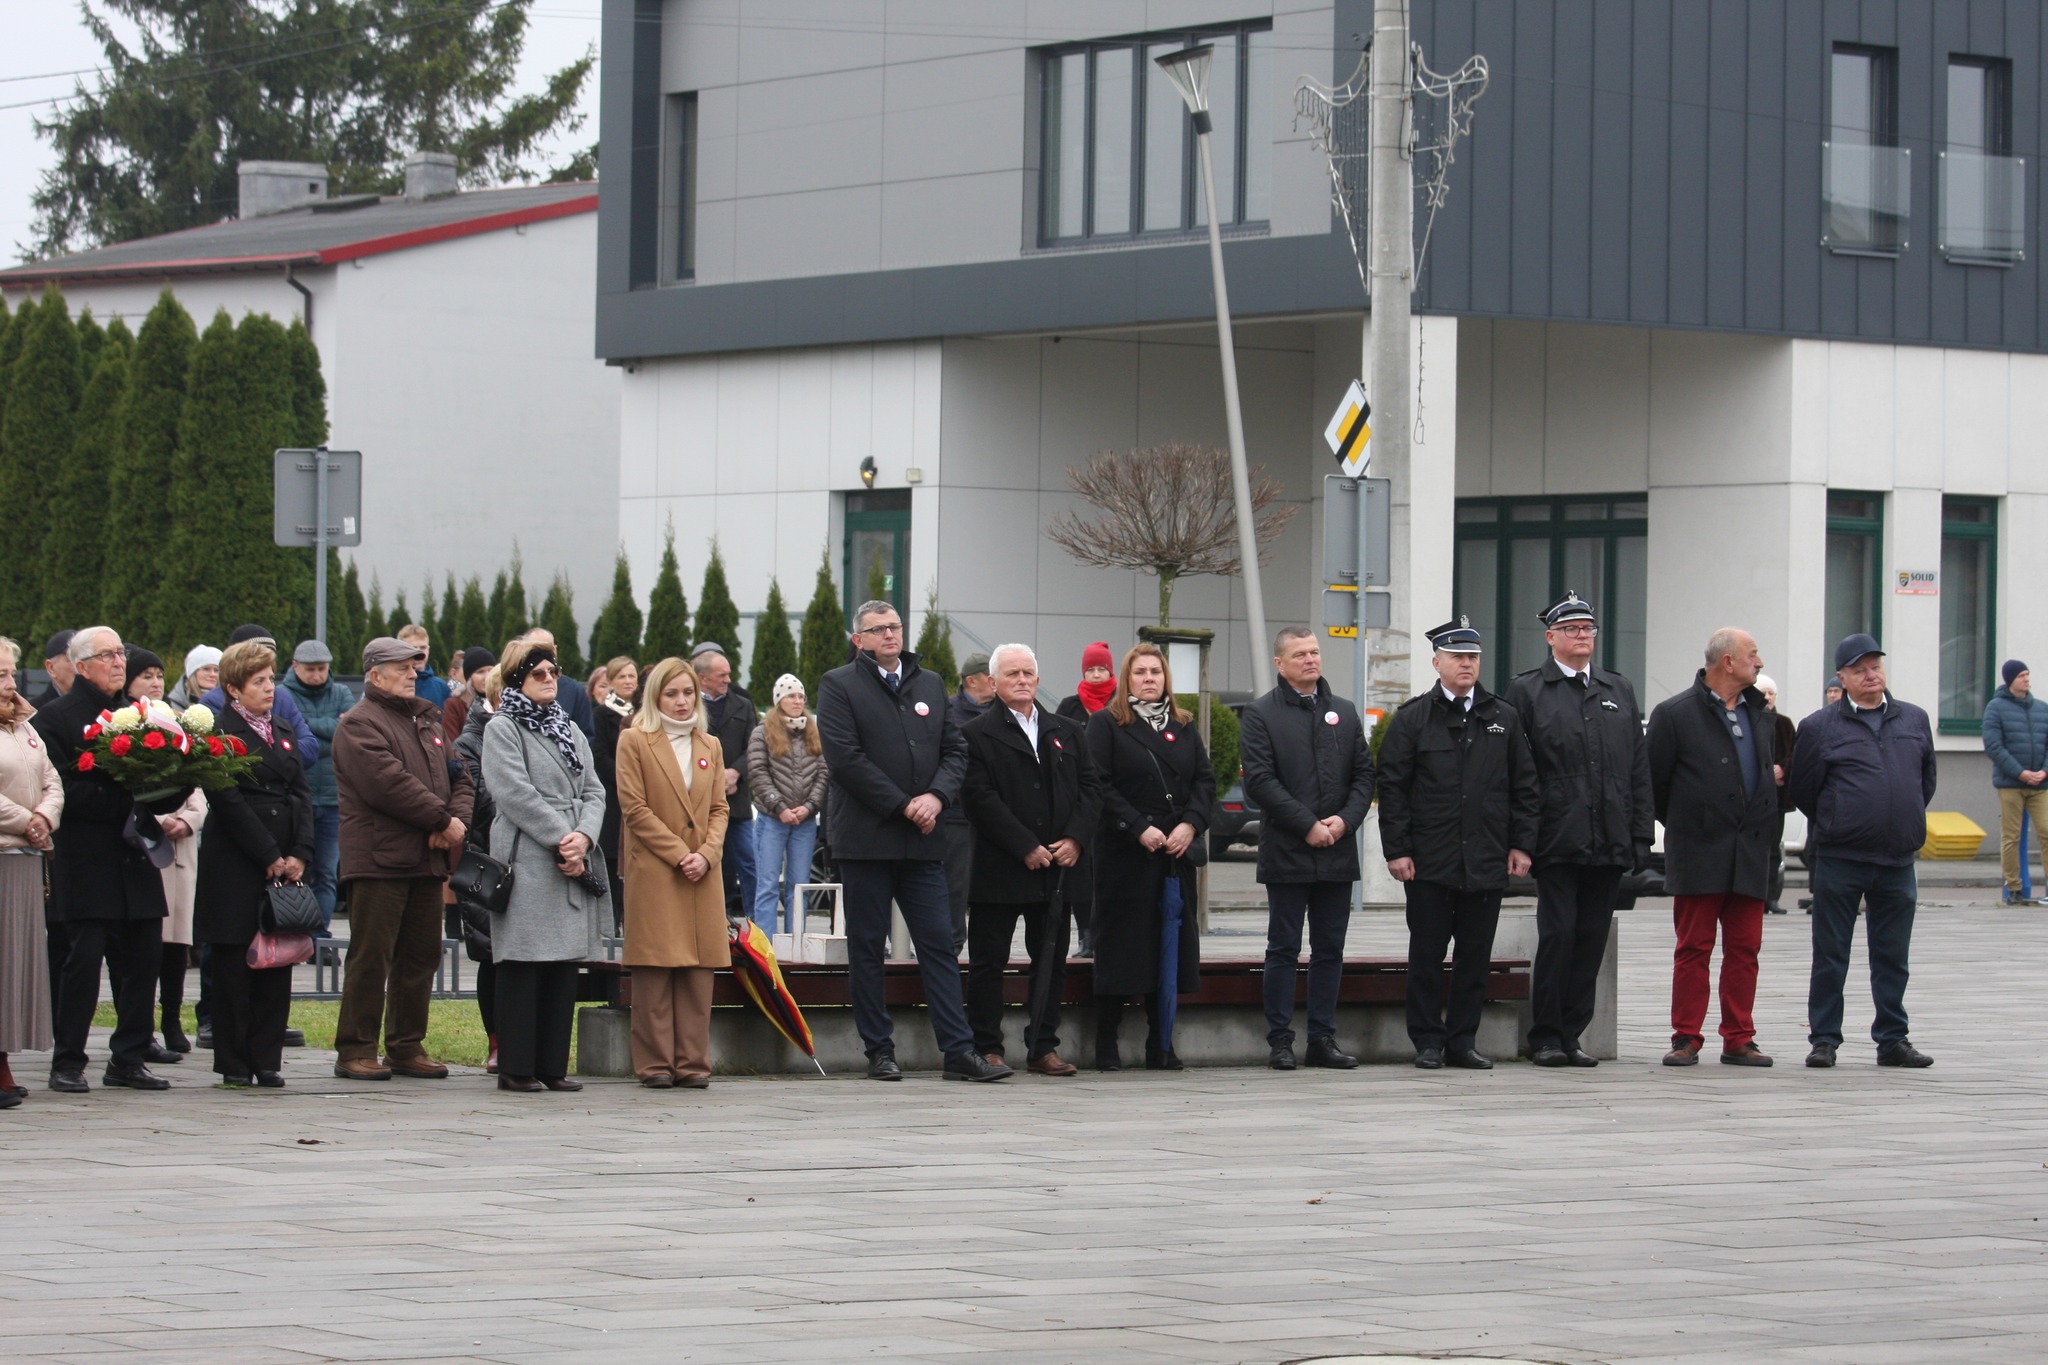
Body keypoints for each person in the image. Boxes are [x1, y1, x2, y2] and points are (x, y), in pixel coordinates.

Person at [817, 600, 1008, 1082]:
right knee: (867, 945)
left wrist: (937, 798)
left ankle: (959, 1052)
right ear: (857, 640)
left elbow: (954, 749)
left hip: (923, 839)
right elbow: (845, 759)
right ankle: (879, 1049)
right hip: (866, 839)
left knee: (939, 943)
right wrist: (904, 804)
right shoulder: (839, 685)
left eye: (895, 626)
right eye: (877, 629)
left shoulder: (928, 683)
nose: (889, 635)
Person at [1376, 618, 1537, 1070]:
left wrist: (1522, 845)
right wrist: (1397, 849)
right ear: (1437, 662)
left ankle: (1463, 1040)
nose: (1467, 664)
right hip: (1429, 861)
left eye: (1473, 657)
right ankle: (1427, 1040)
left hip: (1485, 857)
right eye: (1457, 657)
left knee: (1474, 957)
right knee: (1426, 954)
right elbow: (1393, 789)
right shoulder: (1412, 719)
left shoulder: (1502, 716)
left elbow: (1525, 786)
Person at [33, 626, 187, 1092]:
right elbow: (60, 789)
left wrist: (180, 778)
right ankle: (68, 1059)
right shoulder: (54, 720)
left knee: (143, 958)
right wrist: (124, 794)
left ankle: (129, 1057)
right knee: (82, 962)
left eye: (121, 653)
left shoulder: (141, 716)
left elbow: (158, 793)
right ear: (80, 666)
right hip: (85, 859)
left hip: (134, 856)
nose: (120, 662)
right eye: (107, 655)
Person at [1505, 591, 1653, 1068]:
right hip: (1556, 837)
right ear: (1550, 637)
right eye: (1571, 629)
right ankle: (1546, 1034)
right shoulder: (1527, 691)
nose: (1582, 635)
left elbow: (1636, 767)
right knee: (1559, 933)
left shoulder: (1618, 689)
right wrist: (1521, 838)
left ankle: (1573, 1034)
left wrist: (1639, 835)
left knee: (1592, 938)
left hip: (1607, 836)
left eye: (1588, 628)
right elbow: (1516, 771)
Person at [1790, 634, 1938, 1069]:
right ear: (1842, 678)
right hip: (1840, 858)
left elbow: (1924, 782)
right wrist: (1842, 821)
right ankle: (1824, 1039)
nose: (1870, 675)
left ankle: (1893, 1038)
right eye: (1859, 670)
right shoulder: (1819, 727)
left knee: (1893, 956)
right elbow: (1804, 790)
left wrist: (1898, 817)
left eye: (1875, 666)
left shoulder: (1914, 719)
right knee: (1831, 953)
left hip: (1896, 859)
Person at [331, 636, 474, 1082]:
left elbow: (462, 776)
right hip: (378, 861)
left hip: (425, 861)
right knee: (372, 956)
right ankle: (355, 1048)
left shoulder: (428, 723)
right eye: (402, 668)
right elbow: (387, 784)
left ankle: (405, 1045)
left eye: (414, 666)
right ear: (375, 675)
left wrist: (456, 823)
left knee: (420, 956)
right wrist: (440, 819)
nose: (413, 673)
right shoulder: (358, 724)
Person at [1240, 626, 1377, 1071]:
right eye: (1300, 654)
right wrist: (1306, 826)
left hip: (1336, 850)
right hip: (1287, 851)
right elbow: (1260, 781)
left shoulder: (1345, 711)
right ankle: (1280, 1041)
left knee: (1329, 949)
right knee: (1283, 948)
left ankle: (1323, 1038)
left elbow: (1364, 776)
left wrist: (1344, 821)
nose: (1311, 660)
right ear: (1280, 664)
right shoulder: (1261, 714)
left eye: (1315, 652)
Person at [961, 644, 1100, 1076]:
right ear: (993, 682)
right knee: (988, 962)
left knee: (1051, 960)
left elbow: (1092, 789)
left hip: (1058, 869)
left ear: (1038, 680)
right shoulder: (976, 734)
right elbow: (979, 798)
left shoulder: (1068, 730)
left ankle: (1042, 1046)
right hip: (1000, 868)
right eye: (1011, 674)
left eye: (1028, 673)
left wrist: (1075, 838)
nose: (1021, 680)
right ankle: (987, 1046)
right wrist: (1024, 844)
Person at [1647, 629, 1782, 1068]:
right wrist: (1691, 824)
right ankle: (1687, 1036)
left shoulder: (1761, 714)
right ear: (1727, 661)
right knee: (1694, 948)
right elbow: (1656, 784)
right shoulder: (1675, 714)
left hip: (1750, 852)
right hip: (1698, 850)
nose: (1758, 662)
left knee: (1745, 950)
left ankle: (1739, 1038)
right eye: (1752, 655)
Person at [481, 637, 608, 1093]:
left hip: (571, 850)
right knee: (523, 960)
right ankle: (517, 1067)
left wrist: (585, 837)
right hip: (529, 854)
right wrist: (561, 838)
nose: (550, 680)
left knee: (561, 964)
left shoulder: (568, 727)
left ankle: (552, 1065)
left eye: (553, 672)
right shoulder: (504, 727)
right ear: (518, 678)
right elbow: (512, 792)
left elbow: (594, 789)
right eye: (539, 674)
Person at [1084, 643, 1213, 1072]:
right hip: (1125, 854)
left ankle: (1161, 1042)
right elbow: (1098, 784)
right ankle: (1107, 1040)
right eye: (1140, 672)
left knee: (1169, 946)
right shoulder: (1106, 724)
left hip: (1172, 855)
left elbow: (1204, 782)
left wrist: (1190, 825)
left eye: (1155, 672)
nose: (1149, 679)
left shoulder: (1184, 724)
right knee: (1120, 946)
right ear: (1127, 679)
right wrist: (1138, 826)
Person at [194, 641, 315, 1088]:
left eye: (271, 680)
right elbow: (227, 799)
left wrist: (299, 853)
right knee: (233, 966)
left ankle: (268, 1059)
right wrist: (268, 855)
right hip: (237, 864)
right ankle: (234, 1061)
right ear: (233, 688)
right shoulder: (219, 732)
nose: (270, 688)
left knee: (275, 964)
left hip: (285, 864)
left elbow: (301, 793)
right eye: (259, 682)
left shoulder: (281, 728)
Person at [614, 656, 731, 1087]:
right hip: (659, 870)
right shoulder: (635, 740)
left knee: (698, 971)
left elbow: (720, 808)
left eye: (688, 693)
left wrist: (708, 853)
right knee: (656, 970)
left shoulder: (710, 745)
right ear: (655, 696)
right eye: (672, 693)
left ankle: (693, 1063)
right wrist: (681, 853)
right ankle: (655, 1064)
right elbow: (634, 808)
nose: (682, 702)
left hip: (703, 870)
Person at [124, 647, 207, 1055]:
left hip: (181, 847)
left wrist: (188, 820)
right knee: (147, 943)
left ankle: (172, 1019)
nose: (155, 683)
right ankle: (140, 1027)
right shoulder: (122, 730)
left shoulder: (178, 723)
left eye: (159, 675)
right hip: (145, 846)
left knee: (178, 940)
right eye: (146, 676)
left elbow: (199, 786)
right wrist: (155, 822)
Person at [0, 636, 63, 1105]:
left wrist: (45, 816)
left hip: (23, 861)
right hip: (4, 853)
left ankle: (3, 1058)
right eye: (0, 675)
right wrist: (28, 822)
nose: (9, 684)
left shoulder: (24, 725)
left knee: (15, 965)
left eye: (10, 674)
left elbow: (51, 779)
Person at [278, 640, 354, 936]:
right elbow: (289, 738)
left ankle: (318, 934)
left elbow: (347, 733)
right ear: (295, 666)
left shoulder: (342, 692)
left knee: (327, 873)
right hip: (298, 798)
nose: (316, 675)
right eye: (309, 669)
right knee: (294, 870)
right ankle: (290, 930)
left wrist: (306, 727)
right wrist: (328, 728)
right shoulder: (282, 695)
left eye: (322, 669)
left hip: (334, 798)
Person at [747, 673, 828, 936]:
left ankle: (797, 944)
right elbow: (757, 773)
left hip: (804, 821)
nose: (797, 701)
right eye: (791, 695)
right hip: (772, 819)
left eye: (801, 696)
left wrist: (810, 806)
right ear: (779, 700)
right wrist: (780, 807)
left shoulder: (813, 732)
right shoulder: (762, 732)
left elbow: (823, 772)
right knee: (767, 885)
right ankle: (765, 947)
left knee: (799, 886)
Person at [451, 661, 502, 1072]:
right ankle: (497, 1040)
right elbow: (476, 798)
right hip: (489, 856)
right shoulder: (470, 742)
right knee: (491, 952)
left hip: (538, 859)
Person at [1054, 641, 1115, 956]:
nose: (1095, 674)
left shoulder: (1122, 704)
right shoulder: (1069, 706)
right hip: (1080, 798)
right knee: (1081, 873)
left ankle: (1109, 934)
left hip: (1115, 799)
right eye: (1089, 669)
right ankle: (1086, 936)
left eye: (1100, 668)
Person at [694, 643, 758, 923]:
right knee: (711, 862)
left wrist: (735, 773)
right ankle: (712, 919)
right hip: (701, 803)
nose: (728, 680)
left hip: (737, 800)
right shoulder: (690, 708)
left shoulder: (742, 705)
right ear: (703, 678)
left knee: (749, 860)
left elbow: (753, 746)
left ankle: (757, 922)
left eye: (728, 674)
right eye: (722, 675)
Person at [201, 626, 319, 762]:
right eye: (256, 658)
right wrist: (284, 751)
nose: (265, 664)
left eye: (269, 657)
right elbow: (225, 755)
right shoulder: (212, 703)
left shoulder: (282, 696)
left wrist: (277, 751)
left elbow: (311, 747)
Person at [941, 653, 994, 953]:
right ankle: (953, 946)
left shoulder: (1005, 710)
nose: (997, 681)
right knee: (955, 887)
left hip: (995, 814)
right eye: (991, 675)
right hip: (958, 816)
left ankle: (986, 950)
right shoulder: (947, 711)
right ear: (971, 680)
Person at [1982, 659, 2047, 907]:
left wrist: (2043, 771)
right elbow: (1994, 746)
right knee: (2011, 837)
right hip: (2011, 784)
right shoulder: (1995, 708)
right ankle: (2015, 888)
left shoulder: (2042, 709)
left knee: (2046, 832)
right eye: (2021, 675)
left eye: (2028, 674)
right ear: (2010, 680)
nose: (2027, 680)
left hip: (2040, 785)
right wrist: (2020, 773)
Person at [592, 653, 637, 928]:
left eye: (631, 675)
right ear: (610, 681)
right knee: (611, 854)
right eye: (622, 676)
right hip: (612, 789)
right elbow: (599, 751)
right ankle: (612, 917)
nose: (628, 681)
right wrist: (621, 777)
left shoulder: (644, 711)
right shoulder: (602, 712)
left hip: (638, 791)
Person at [1755, 674, 1799, 914]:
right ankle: (1755, 897)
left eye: (1771, 693)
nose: (1768, 697)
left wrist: (1783, 768)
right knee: (1756, 849)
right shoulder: (1749, 719)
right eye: (1763, 692)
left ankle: (1771, 897)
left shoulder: (1784, 723)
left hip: (1778, 798)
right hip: (1753, 799)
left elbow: (1795, 752)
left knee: (1774, 848)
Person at [523, 629, 595, 740]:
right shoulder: (514, 692)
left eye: (547, 649)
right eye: (535, 649)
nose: (542, 654)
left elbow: (587, 737)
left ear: (555, 651)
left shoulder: (574, 690)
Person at [443, 645, 495, 744]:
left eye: (490, 670)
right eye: (480, 672)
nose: (487, 676)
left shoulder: (505, 703)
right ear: (469, 678)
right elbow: (452, 744)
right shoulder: (455, 705)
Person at [397, 624, 451, 708]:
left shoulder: (441, 687)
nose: (419, 652)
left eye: (423, 647)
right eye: (413, 648)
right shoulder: (393, 685)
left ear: (428, 649)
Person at [167, 644, 220, 710]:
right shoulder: (172, 705)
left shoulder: (229, 702)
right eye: (206, 669)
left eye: (216, 670)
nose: (213, 674)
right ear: (192, 673)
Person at [32, 630, 75, 708]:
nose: (80, 665)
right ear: (51, 667)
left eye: (84, 658)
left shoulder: (99, 705)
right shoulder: (33, 713)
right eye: (71, 659)